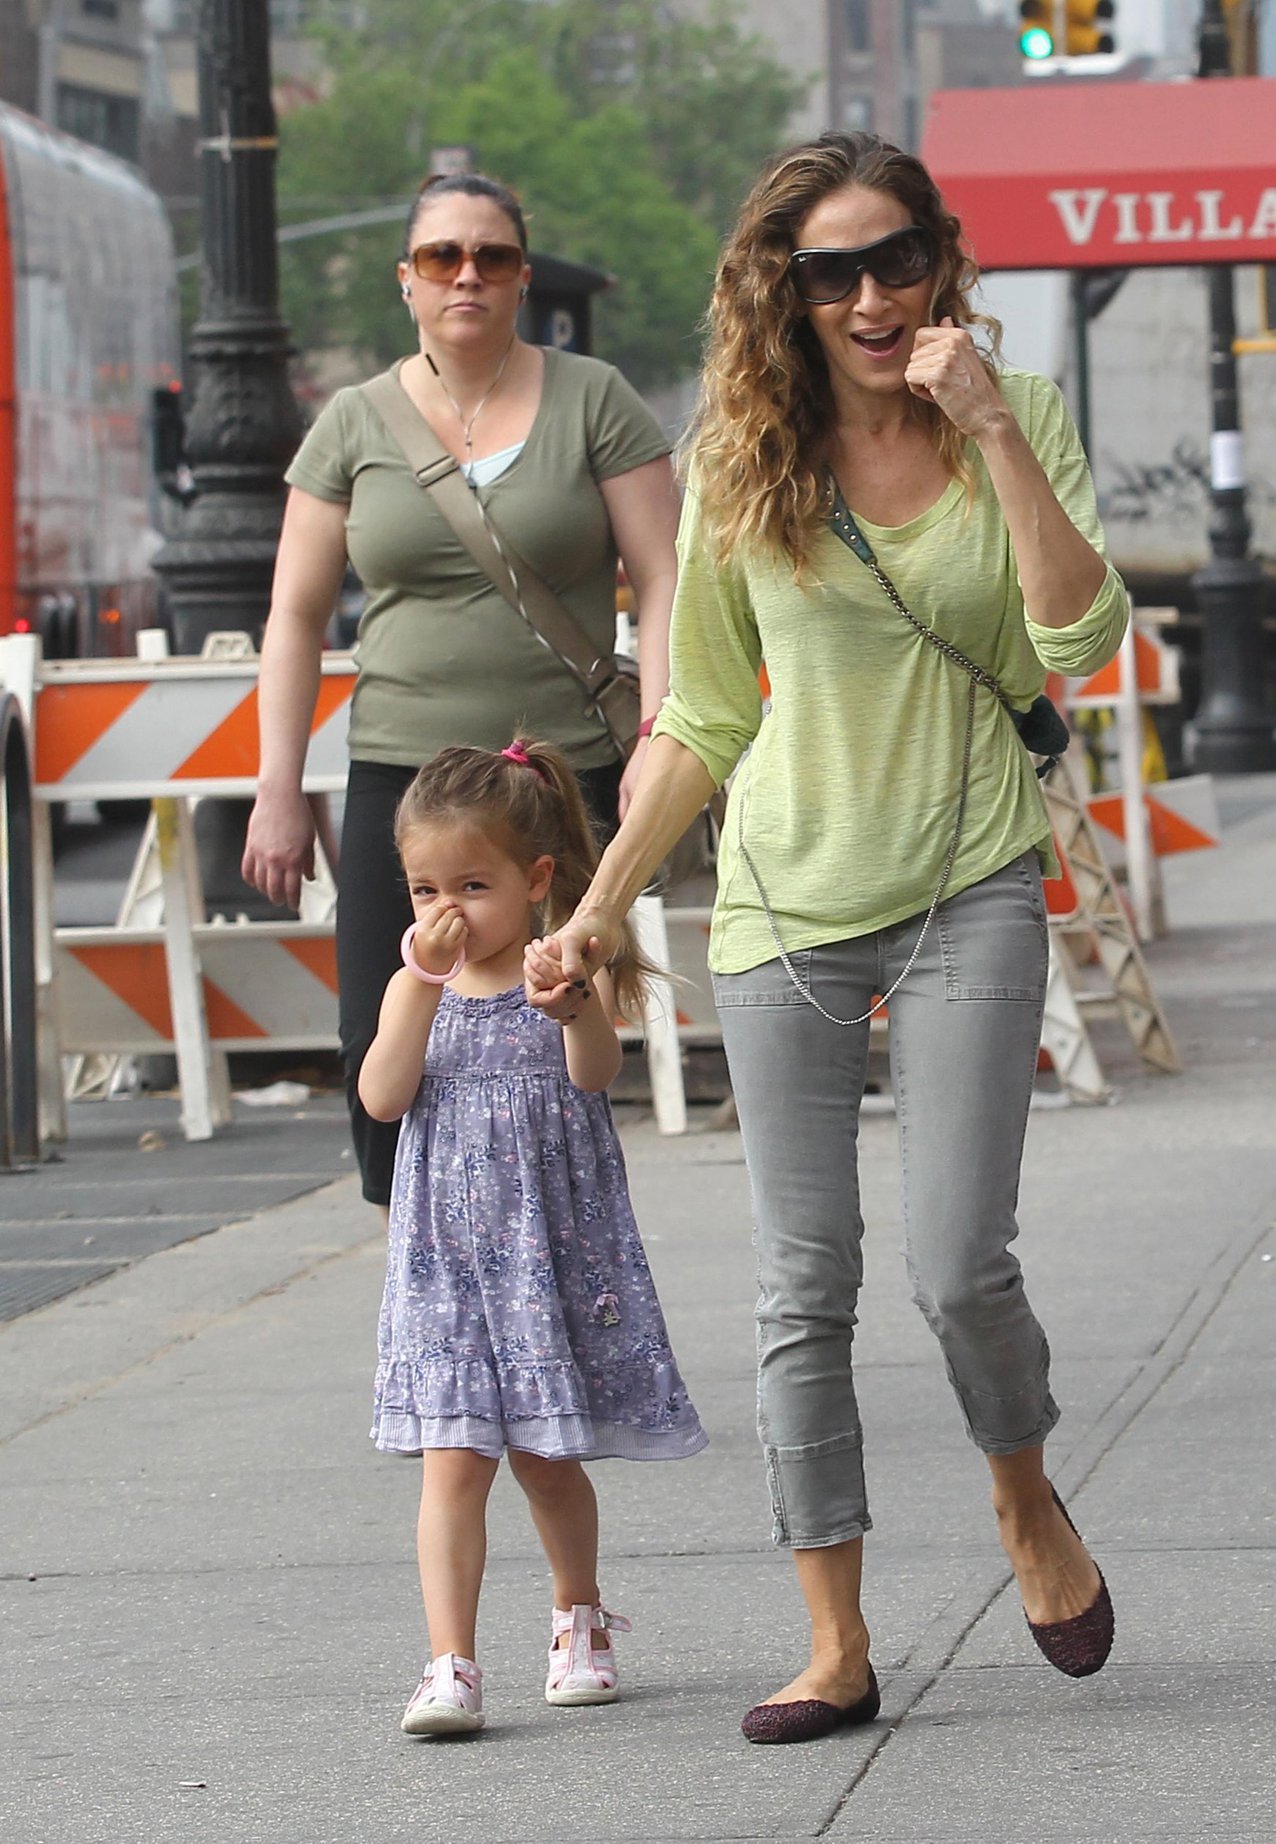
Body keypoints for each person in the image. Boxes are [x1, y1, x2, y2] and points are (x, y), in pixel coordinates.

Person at [536, 131, 1129, 1744]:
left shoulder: (1017, 416)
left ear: (938, 260)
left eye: (893, 259)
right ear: (779, 292)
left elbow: (1075, 625)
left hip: (967, 884)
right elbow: (704, 713)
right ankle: (832, 1637)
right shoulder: (739, 461)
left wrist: (987, 418)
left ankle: (1021, 1497)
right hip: (782, 907)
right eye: (828, 272)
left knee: (953, 1264)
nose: (869, 297)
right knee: (800, 1288)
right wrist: (595, 908)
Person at [243, 171, 679, 1211]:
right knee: (384, 1026)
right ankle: (422, 1259)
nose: (467, 274)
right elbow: (295, 615)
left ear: (523, 276)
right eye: (443, 256)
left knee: (555, 1016)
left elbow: (664, 576)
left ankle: (550, 1249)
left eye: (491, 255)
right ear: (407, 280)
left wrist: (660, 729)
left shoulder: (594, 399)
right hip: (404, 778)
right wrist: (275, 782)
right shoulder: (352, 422)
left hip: (555, 773)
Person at [357, 737, 706, 1736]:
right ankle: (450, 1662)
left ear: (535, 879)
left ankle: (577, 1615)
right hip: (447, 1269)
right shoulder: (411, 991)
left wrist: (570, 1006)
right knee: (452, 1459)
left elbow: (596, 1073)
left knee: (547, 1460)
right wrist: (418, 987)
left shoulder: (558, 972)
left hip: (543, 1258)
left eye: (472, 882)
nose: (445, 909)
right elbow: (382, 1098)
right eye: (425, 887)